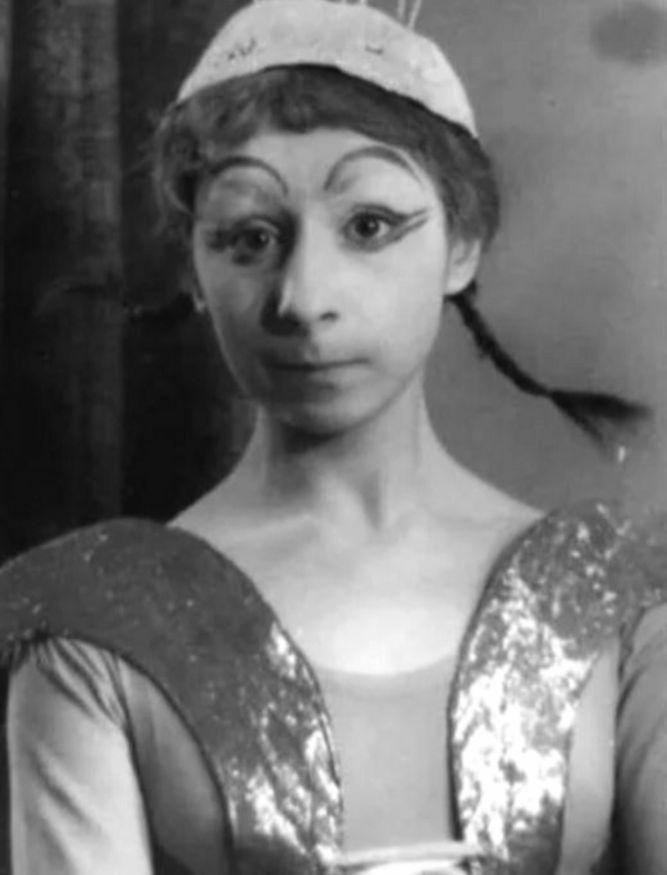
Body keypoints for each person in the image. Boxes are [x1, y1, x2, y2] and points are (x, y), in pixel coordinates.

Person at [1, 1, 666, 873]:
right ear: (194, 266)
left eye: (368, 226)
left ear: (462, 242)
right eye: (249, 237)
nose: (304, 298)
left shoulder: (621, 599)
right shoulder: (91, 625)